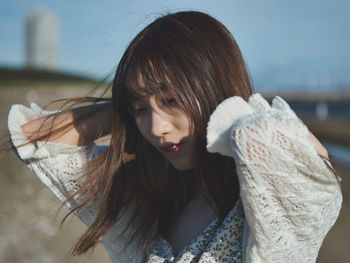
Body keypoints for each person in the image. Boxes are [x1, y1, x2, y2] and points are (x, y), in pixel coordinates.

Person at [7, 11, 342, 263]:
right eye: (141, 110)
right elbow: (32, 137)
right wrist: (125, 108)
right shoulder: (153, 199)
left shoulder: (266, 208)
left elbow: (274, 144)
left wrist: (221, 107)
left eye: (171, 100)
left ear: (214, 86)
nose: (156, 128)